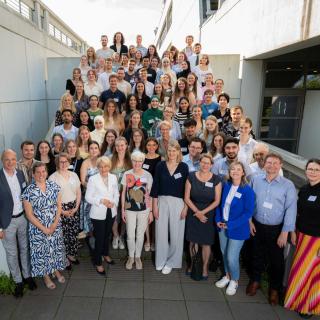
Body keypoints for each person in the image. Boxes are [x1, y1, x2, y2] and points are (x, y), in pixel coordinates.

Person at [247, 153, 297, 306]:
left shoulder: (288, 185)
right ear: (264, 164)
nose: (272, 166)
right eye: (269, 162)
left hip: (277, 229)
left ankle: (274, 289)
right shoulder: (255, 180)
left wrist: (285, 232)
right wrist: (249, 221)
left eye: (276, 163)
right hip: (257, 225)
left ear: (280, 165)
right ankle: (255, 281)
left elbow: (291, 209)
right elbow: (249, 201)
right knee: (256, 255)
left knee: (277, 261)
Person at [284, 158, 320, 318]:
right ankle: (298, 301)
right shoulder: (304, 189)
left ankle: (309, 306)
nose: (312, 172)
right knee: (300, 272)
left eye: (316, 170)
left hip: (316, 240)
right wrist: (293, 231)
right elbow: (298, 213)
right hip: (301, 236)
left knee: (311, 274)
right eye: (310, 169)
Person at [22, 162, 66, 290]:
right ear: (33, 174)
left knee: (54, 249)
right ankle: (46, 275)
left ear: (46, 172)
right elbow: (29, 214)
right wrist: (44, 229)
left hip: (54, 225)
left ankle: (55, 270)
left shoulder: (54, 186)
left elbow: (59, 206)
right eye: (38, 172)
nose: (41, 174)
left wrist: (54, 224)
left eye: (43, 171)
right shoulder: (29, 191)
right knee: (42, 252)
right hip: (38, 227)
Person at [0, 149, 36, 297]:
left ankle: (27, 276)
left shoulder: (20, 174)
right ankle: (18, 281)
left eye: (13, 159)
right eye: (7, 159)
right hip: (6, 222)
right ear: (2, 160)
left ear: (16, 160)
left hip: (22, 218)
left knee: (25, 248)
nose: (10, 162)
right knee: (12, 253)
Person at [215, 161, 255, 295]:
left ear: (243, 172)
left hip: (237, 228)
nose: (235, 172)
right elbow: (219, 205)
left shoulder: (247, 190)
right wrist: (218, 220)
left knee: (232, 256)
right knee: (224, 252)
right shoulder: (226, 185)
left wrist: (230, 224)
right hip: (223, 225)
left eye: (238, 169)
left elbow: (248, 212)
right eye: (233, 169)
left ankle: (235, 280)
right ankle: (227, 276)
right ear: (229, 172)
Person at [150, 140, 189, 274]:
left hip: (179, 203)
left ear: (179, 151)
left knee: (176, 234)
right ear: (167, 152)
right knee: (160, 233)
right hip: (161, 201)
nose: (172, 153)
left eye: (174, 150)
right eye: (170, 151)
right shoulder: (160, 165)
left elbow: (186, 190)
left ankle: (172, 261)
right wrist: (154, 207)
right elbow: (155, 186)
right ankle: (160, 260)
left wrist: (186, 207)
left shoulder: (184, 167)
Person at [185, 153, 222, 279]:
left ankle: (205, 267)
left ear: (212, 165)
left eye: (208, 163)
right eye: (203, 162)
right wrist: (197, 212)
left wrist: (202, 213)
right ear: (199, 163)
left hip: (209, 213)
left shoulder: (216, 179)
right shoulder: (191, 176)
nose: (205, 165)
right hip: (193, 211)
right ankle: (193, 264)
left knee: (206, 243)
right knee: (193, 241)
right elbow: (186, 197)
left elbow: (217, 201)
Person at [85, 156, 119, 274]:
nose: (103, 169)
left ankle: (105, 254)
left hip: (111, 210)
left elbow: (116, 193)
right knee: (99, 237)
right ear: (98, 167)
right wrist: (101, 200)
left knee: (107, 235)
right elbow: (88, 197)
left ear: (109, 166)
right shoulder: (93, 179)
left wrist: (113, 202)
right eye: (101, 166)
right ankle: (97, 261)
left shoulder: (113, 177)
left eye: (106, 166)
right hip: (98, 212)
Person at [121, 151, 153, 270]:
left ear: (143, 162)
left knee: (140, 235)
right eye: (135, 160)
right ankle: (131, 257)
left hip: (144, 209)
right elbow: (123, 193)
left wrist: (150, 212)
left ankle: (138, 257)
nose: (137, 163)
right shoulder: (127, 174)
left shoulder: (148, 175)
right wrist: (122, 210)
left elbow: (149, 194)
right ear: (132, 161)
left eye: (140, 161)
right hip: (129, 209)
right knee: (130, 234)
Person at [49, 153, 81, 269]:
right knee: (62, 234)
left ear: (69, 162)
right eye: (61, 162)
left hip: (73, 207)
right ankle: (63, 258)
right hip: (59, 209)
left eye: (66, 161)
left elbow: (78, 192)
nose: (63, 164)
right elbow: (51, 198)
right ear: (57, 163)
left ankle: (71, 255)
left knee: (72, 233)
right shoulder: (53, 177)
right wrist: (62, 211)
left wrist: (76, 207)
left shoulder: (74, 175)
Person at [110, 137, 132, 250]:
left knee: (125, 215)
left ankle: (122, 236)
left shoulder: (131, 160)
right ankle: (115, 236)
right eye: (117, 145)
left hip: (127, 192)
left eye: (122, 145)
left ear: (126, 145)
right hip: (113, 193)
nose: (120, 147)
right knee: (114, 215)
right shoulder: (110, 159)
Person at [79, 141, 100, 238]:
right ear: (88, 150)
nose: (94, 150)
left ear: (99, 150)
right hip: (89, 195)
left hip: (101, 196)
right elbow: (83, 181)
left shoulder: (102, 161)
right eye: (91, 148)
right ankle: (91, 237)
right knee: (90, 218)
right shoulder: (85, 163)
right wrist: (94, 188)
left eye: (96, 148)